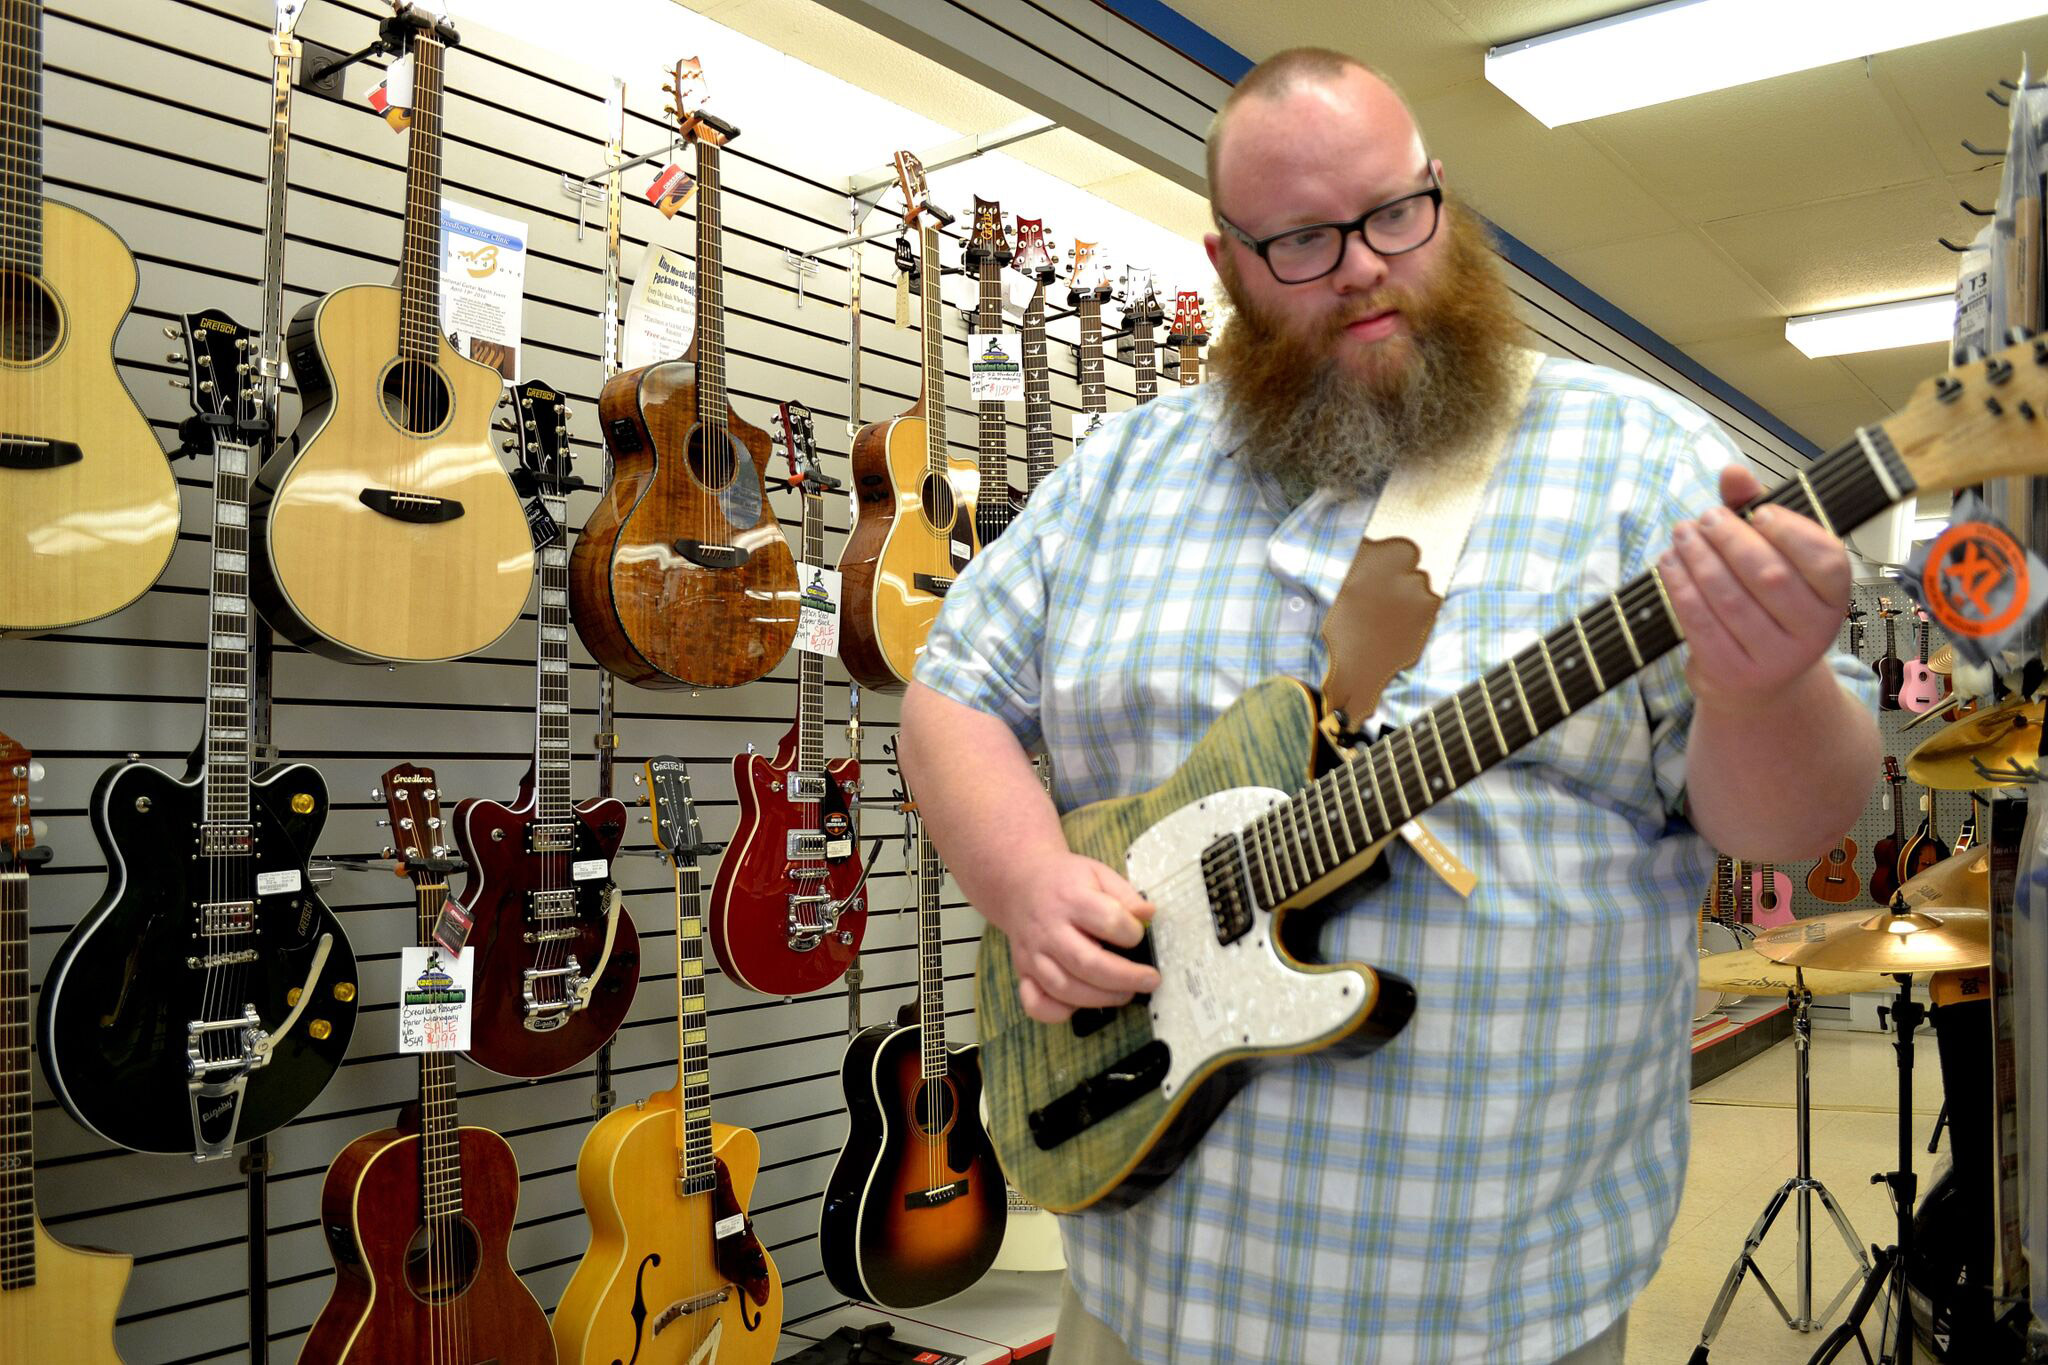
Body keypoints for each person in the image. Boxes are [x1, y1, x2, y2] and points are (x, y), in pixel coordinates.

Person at [899, 46, 1880, 1365]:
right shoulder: (1125, 468)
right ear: (1230, 265)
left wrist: (1767, 680)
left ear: (1443, 201)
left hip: (1491, 1309)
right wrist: (1023, 878)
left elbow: (1790, 822)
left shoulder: (1641, 460)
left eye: (1394, 213)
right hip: (1144, 1283)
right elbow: (952, 695)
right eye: (1301, 238)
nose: (1362, 262)